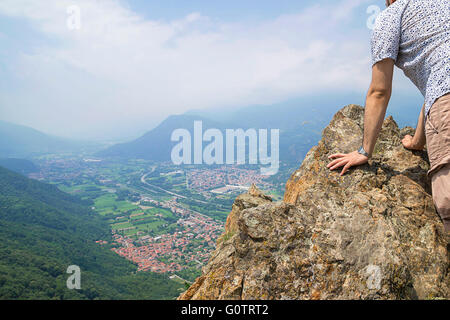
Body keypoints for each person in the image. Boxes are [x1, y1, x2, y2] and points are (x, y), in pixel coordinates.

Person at [327, 0, 450, 232]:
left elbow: (379, 91)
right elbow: (436, 90)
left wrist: (364, 151)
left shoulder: (392, 16)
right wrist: (417, 142)